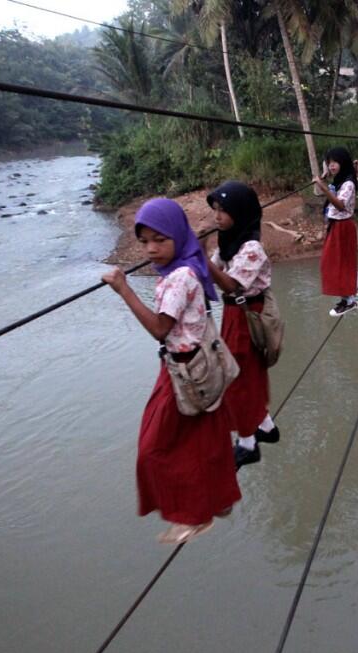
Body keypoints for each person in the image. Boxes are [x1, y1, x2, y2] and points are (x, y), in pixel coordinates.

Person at [101, 198, 242, 545]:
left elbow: (161, 329)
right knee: (207, 441)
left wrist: (124, 290)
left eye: (160, 240)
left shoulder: (179, 278)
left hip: (184, 373)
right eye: (144, 241)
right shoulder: (191, 263)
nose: (151, 249)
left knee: (155, 448)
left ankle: (191, 517)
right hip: (201, 367)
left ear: (178, 237)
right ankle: (219, 501)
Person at [206, 181, 279, 471]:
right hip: (238, 314)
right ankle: (266, 426)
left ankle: (248, 443)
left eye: (224, 211)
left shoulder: (252, 248)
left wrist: (201, 258)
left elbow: (231, 284)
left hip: (248, 315)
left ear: (241, 212)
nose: (217, 217)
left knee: (236, 379)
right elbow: (213, 270)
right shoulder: (230, 241)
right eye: (215, 210)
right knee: (250, 373)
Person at [314, 147, 358, 317]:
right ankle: (346, 299)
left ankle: (349, 301)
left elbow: (340, 205)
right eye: (329, 163)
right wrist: (325, 180)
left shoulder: (348, 183)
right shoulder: (339, 181)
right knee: (331, 263)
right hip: (336, 226)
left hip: (343, 227)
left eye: (334, 162)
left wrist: (323, 187)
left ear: (343, 162)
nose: (331, 166)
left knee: (341, 264)